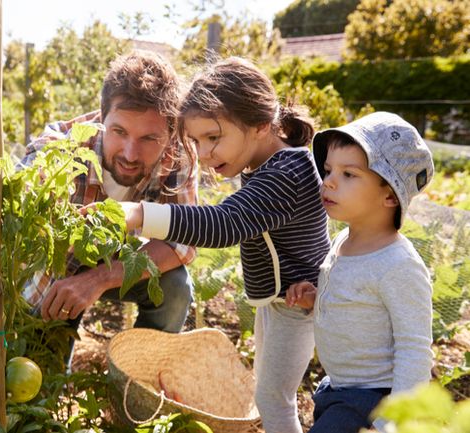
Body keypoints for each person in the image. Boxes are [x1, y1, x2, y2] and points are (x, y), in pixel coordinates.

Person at [113, 57, 331, 433]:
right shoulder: (268, 167)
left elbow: (223, 224)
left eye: (213, 137)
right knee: (271, 392)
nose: (205, 152)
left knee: (273, 400)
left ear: (262, 125)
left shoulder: (288, 173)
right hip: (282, 303)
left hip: (299, 304)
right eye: (196, 141)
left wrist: (138, 213)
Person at [0, 50, 198, 335]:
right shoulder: (61, 149)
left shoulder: (178, 155)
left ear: (170, 131)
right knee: (42, 362)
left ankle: (142, 372)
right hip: (60, 267)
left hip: (118, 259)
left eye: (149, 138)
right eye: (119, 132)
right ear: (101, 117)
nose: (130, 153)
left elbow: (181, 242)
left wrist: (98, 279)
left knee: (175, 287)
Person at [285, 111, 435, 433]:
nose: (329, 181)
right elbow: (355, 301)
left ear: (389, 195)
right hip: (337, 388)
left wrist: (394, 423)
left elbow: (414, 348)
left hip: (372, 400)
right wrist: (316, 299)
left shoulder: (398, 265)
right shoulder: (343, 240)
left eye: (349, 174)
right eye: (328, 170)